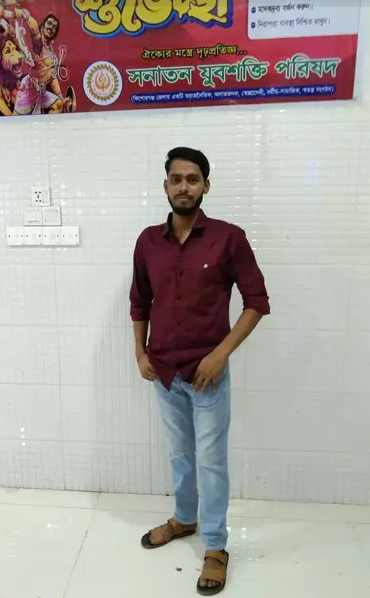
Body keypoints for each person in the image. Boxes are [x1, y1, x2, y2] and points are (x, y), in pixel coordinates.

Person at [129, 147, 270, 595]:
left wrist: (220, 354)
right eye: (176, 179)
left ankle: (215, 545)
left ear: (206, 185)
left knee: (211, 460)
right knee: (180, 453)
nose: (184, 187)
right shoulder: (148, 242)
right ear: (165, 186)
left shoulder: (228, 238)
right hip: (164, 372)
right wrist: (140, 353)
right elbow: (139, 302)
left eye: (193, 179)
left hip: (207, 374)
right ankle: (185, 519)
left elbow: (257, 302)